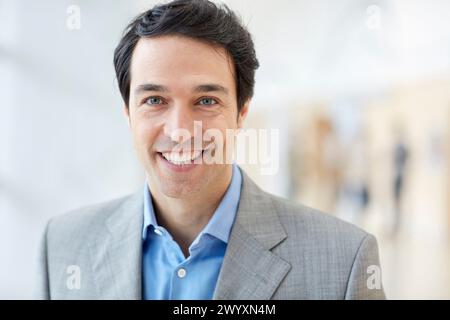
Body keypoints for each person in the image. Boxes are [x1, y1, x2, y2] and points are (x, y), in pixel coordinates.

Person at [35, 0, 385, 299]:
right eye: (155, 100)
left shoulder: (344, 263)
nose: (180, 131)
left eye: (206, 100)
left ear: (241, 111)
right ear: (128, 112)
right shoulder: (63, 248)